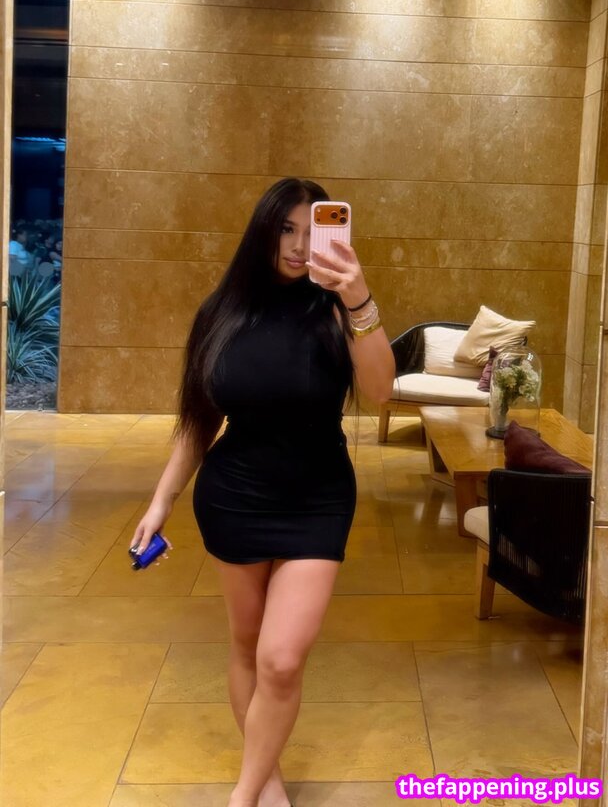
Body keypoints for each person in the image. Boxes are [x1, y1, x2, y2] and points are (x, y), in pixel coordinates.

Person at [131, 177, 396, 807]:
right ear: (263, 231)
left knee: (282, 658)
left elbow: (382, 391)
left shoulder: (338, 310)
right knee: (248, 647)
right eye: (287, 229)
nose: (301, 246)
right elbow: (200, 421)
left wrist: (358, 297)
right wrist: (161, 502)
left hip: (318, 499)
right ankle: (266, 780)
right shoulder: (221, 313)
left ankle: (243, 795)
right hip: (235, 498)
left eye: (313, 230)